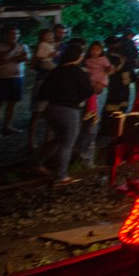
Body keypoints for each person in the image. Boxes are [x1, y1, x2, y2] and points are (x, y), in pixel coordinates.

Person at [37, 43, 93, 186]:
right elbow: (88, 91)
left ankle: (37, 163)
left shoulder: (55, 71)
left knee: (59, 139)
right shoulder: (78, 72)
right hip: (69, 110)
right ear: (79, 56)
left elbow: (42, 93)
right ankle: (61, 176)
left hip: (51, 109)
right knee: (67, 143)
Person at [0, 25, 27, 137]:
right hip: (2, 78)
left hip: (17, 77)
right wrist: (13, 50)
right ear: (5, 35)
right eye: (12, 34)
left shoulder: (23, 46)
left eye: (17, 34)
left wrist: (9, 58)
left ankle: (7, 126)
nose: (15, 36)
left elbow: (25, 58)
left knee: (12, 103)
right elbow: (1, 59)